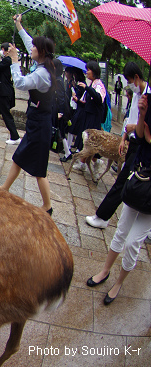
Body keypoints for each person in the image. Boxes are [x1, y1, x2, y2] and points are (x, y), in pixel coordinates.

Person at [86, 92, 151, 305]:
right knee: (121, 230)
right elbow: (140, 138)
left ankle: (119, 282)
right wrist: (142, 115)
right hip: (140, 181)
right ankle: (105, 270)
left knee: (133, 242)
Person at [0, 14, 55, 215]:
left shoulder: (42, 74)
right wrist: (18, 25)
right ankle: (4, 189)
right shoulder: (44, 62)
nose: (30, 48)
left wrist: (14, 60)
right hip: (36, 121)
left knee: (40, 170)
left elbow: (21, 84)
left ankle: (47, 206)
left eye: (33, 48)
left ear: (40, 52)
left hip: (40, 124)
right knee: (19, 157)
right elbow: (30, 41)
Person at [86, 62, 150, 229]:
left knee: (122, 181)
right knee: (129, 182)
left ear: (136, 78)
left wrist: (135, 127)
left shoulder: (148, 97)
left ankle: (103, 216)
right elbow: (130, 118)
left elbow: (143, 126)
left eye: (129, 80)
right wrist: (123, 138)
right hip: (132, 141)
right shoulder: (137, 95)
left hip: (142, 147)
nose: (129, 85)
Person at [71, 61, 106, 172]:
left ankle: (94, 162)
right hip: (88, 115)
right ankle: (83, 163)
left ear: (94, 71)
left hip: (94, 117)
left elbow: (98, 98)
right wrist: (78, 100)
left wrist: (87, 88)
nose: (87, 72)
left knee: (91, 142)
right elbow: (87, 102)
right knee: (87, 141)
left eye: (89, 70)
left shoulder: (99, 85)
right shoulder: (92, 84)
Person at [60, 67, 87, 162]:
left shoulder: (79, 84)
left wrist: (74, 93)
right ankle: (68, 148)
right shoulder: (72, 83)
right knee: (70, 129)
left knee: (70, 129)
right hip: (72, 107)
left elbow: (81, 97)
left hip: (74, 109)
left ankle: (68, 150)